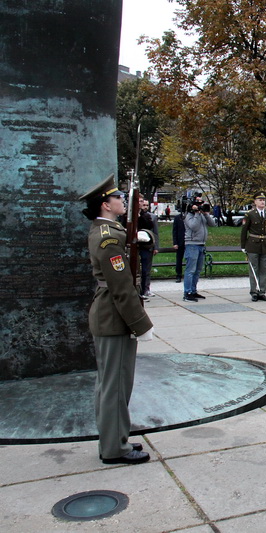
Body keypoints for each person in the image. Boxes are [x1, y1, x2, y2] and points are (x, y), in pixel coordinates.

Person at [78, 175, 153, 465]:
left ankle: (115, 438)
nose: (123, 201)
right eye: (118, 197)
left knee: (110, 384)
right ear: (106, 205)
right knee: (115, 386)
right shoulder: (108, 237)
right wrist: (142, 324)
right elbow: (121, 288)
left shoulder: (108, 231)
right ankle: (114, 449)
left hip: (109, 315)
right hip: (113, 316)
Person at [240, 192, 266, 302]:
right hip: (253, 244)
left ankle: (262, 291)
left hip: (265, 244)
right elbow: (244, 231)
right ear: (255, 202)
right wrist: (243, 245)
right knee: (254, 269)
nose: (262, 202)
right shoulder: (250, 214)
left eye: (264, 200)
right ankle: (254, 291)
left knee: (264, 269)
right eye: (260, 200)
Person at [183, 196, 217, 302]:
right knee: (190, 270)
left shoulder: (202, 215)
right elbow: (194, 226)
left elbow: (213, 224)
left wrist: (206, 214)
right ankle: (187, 292)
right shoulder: (189, 216)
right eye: (198, 205)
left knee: (197, 271)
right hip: (192, 245)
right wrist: (196, 213)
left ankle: (193, 291)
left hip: (201, 245)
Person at [137, 197, 159, 300]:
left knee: (146, 270)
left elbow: (153, 231)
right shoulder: (127, 215)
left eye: (143, 203)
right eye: (140, 202)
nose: (142, 205)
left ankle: (145, 289)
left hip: (145, 246)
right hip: (135, 247)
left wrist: (155, 247)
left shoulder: (148, 216)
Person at [172, 208, 185, 283]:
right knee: (179, 260)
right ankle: (178, 275)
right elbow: (174, 231)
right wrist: (175, 243)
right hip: (180, 242)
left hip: (189, 242)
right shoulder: (177, 218)